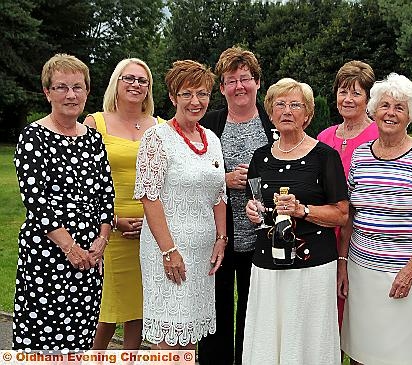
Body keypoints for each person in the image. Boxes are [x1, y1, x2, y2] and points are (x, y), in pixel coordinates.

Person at [338, 73, 412, 365]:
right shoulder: (361, 155)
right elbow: (351, 214)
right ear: (374, 111)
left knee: (401, 355)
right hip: (362, 272)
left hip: (405, 276)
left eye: (399, 107)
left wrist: (411, 270)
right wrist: (342, 263)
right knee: (361, 352)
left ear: (410, 115)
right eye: (385, 105)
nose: (390, 113)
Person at [12, 53, 114, 351]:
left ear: (87, 92)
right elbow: (36, 200)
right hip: (48, 255)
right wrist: (69, 247)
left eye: (78, 87)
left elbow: (106, 195)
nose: (71, 94)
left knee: (81, 339)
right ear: (47, 92)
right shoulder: (33, 137)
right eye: (61, 87)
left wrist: (102, 240)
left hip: (90, 259)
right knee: (43, 341)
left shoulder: (93, 139)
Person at [243, 78, 349, 365]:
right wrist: (253, 211)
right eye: (280, 104)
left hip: (312, 265)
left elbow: (342, 213)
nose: (287, 110)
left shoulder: (325, 156)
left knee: (307, 339)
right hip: (267, 262)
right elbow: (254, 202)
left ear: (308, 114)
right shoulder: (260, 157)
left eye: (295, 105)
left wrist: (303, 210)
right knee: (268, 335)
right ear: (271, 112)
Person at [134, 60, 227, 350]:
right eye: (187, 94)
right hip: (168, 251)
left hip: (202, 253)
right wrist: (168, 250)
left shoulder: (210, 138)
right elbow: (149, 197)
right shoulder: (156, 138)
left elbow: (219, 194)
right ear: (173, 97)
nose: (195, 101)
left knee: (189, 337)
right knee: (169, 339)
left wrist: (221, 239)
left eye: (202, 94)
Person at [198, 46, 275, 365]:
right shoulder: (210, 123)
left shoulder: (274, 122)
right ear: (222, 87)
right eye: (231, 80)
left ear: (258, 82)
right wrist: (224, 180)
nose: (239, 86)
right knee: (215, 307)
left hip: (262, 235)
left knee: (253, 307)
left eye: (245, 78)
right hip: (218, 235)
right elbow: (194, 175)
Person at [84, 58, 163, 349]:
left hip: (149, 232)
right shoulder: (95, 123)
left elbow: (168, 181)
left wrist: (151, 224)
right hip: (108, 231)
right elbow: (82, 183)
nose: (136, 85)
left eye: (142, 80)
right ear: (116, 83)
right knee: (106, 312)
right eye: (129, 78)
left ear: (149, 89)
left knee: (138, 310)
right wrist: (113, 220)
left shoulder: (161, 127)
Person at [317, 60, 378, 330]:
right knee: (324, 317)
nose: (348, 99)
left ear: (368, 98)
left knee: (356, 320)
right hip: (322, 233)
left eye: (356, 93)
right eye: (343, 91)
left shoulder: (378, 134)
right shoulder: (325, 136)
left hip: (359, 237)